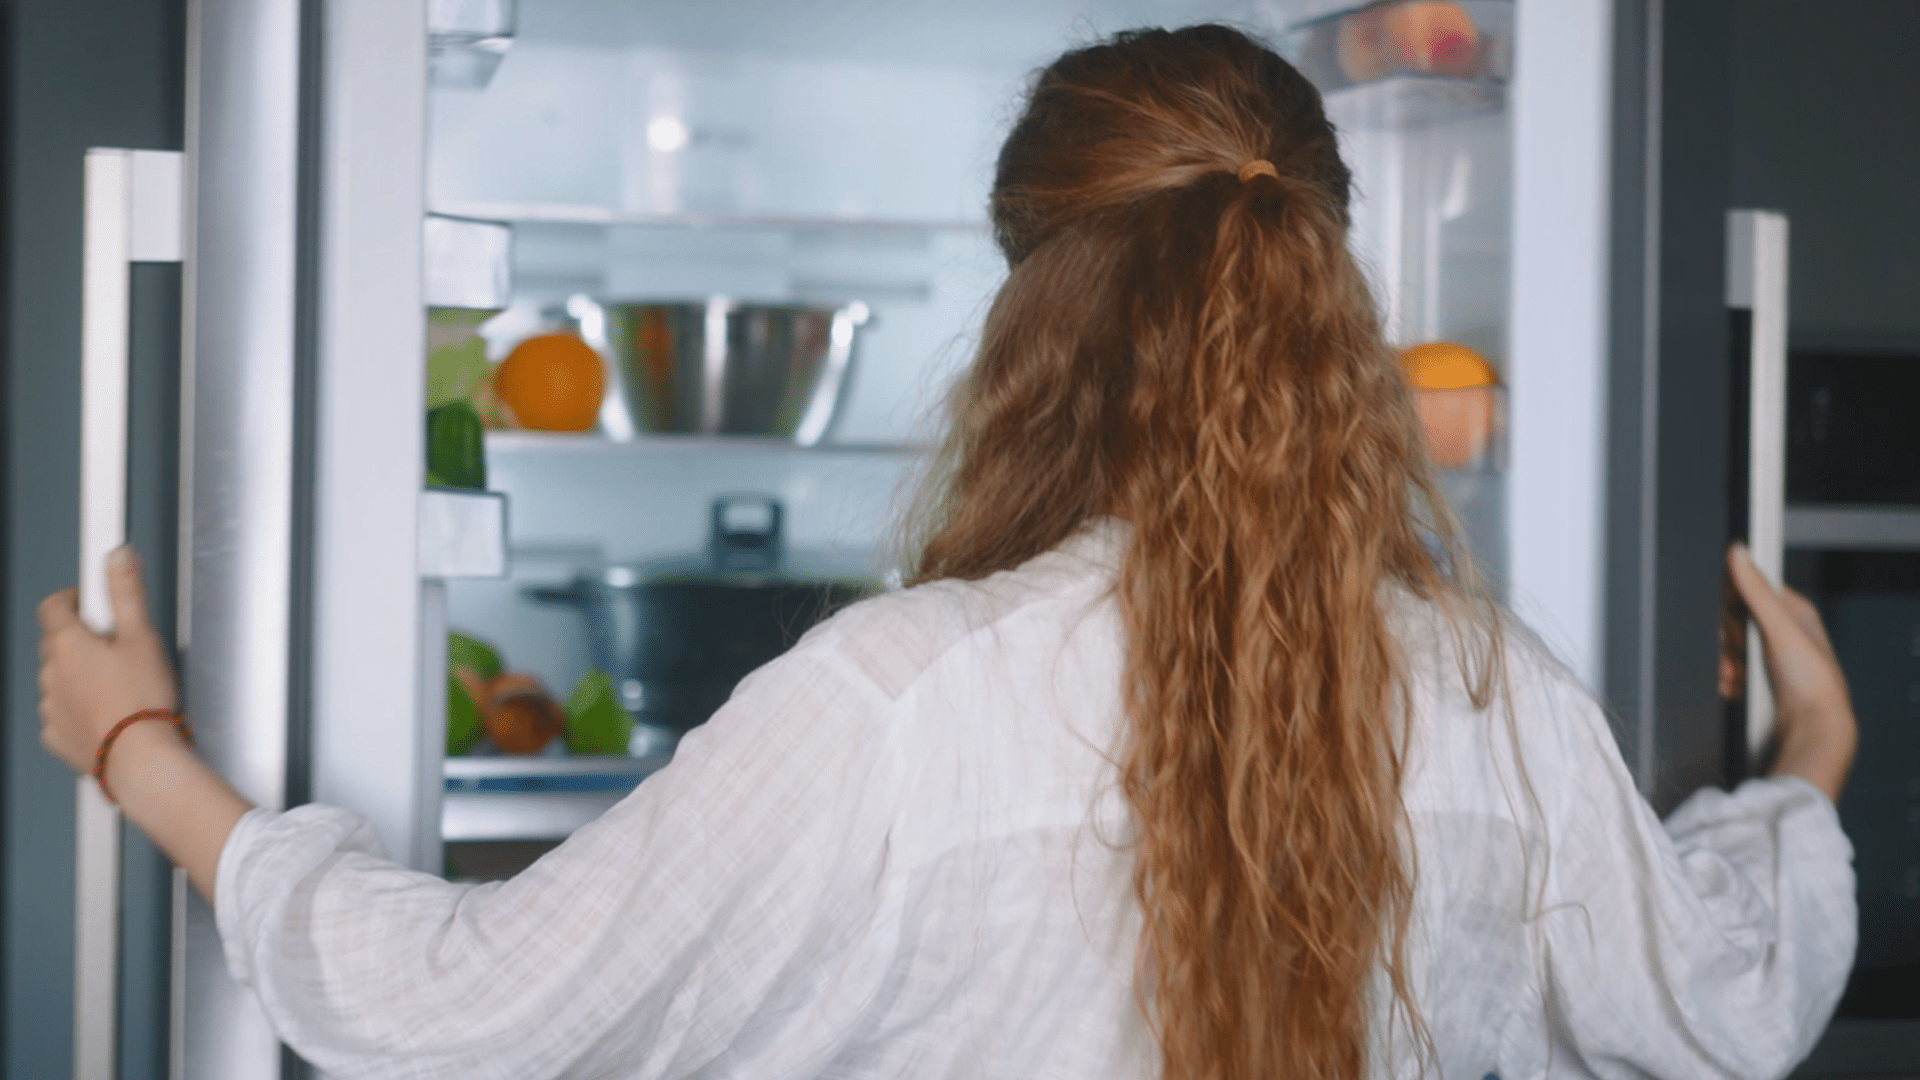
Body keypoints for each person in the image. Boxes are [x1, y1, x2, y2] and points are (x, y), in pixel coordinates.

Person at [39, 24, 1855, 1080]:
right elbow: (1729, 996)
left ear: (1032, 329)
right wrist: (1814, 765)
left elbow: (454, 1009)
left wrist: (146, 756)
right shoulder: (1497, 691)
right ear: (1326, 289)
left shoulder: (901, 701)